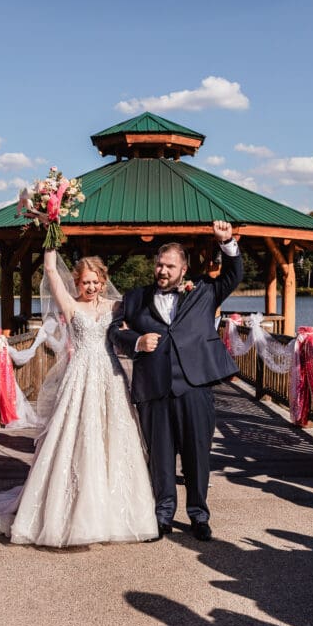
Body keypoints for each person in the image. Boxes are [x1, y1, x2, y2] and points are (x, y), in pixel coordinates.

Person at [0, 251, 159, 546]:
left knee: (112, 437)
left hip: (110, 377)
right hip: (80, 377)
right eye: (86, 282)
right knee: (78, 437)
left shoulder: (116, 306)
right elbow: (51, 271)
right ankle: (74, 512)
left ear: (103, 281)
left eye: (96, 281)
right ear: (77, 282)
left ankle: (115, 511)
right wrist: (50, 236)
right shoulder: (70, 305)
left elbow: (146, 310)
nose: (91, 287)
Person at [108, 220, 243, 541]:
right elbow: (114, 330)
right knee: (160, 457)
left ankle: (199, 515)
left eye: (170, 266)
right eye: (159, 264)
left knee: (197, 455)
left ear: (184, 270)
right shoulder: (135, 297)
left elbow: (234, 274)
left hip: (195, 386)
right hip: (153, 389)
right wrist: (136, 342)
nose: (163, 270)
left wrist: (227, 243)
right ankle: (162, 514)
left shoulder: (205, 290)